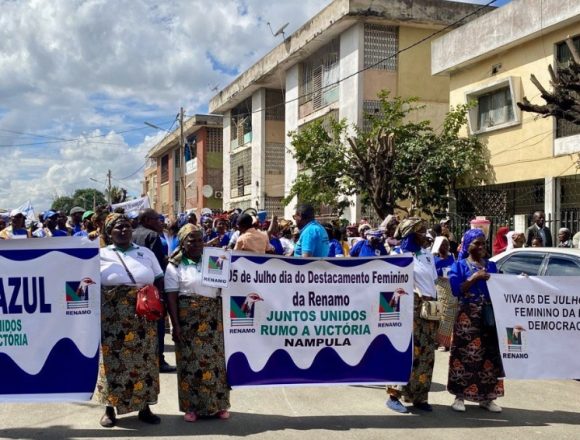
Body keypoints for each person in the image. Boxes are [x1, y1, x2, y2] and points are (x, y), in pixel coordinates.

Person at [96, 213, 164, 427]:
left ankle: (144, 407)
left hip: (143, 318)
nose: (124, 230)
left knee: (144, 363)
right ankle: (109, 409)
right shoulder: (99, 255)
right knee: (111, 363)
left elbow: (160, 281)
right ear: (109, 232)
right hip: (112, 319)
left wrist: (157, 305)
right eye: (118, 227)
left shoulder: (145, 253)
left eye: (126, 226)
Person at [165, 224, 230, 422]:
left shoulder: (214, 260)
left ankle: (217, 405)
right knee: (190, 364)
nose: (196, 243)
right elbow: (171, 298)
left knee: (215, 364)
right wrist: (175, 325)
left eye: (200, 239)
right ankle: (191, 407)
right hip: (188, 321)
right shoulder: (174, 266)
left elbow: (225, 286)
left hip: (213, 320)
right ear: (183, 243)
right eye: (191, 240)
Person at [448, 229, 503, 413]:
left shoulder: (492, 266)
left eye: (483, 243)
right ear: (468, 245)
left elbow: (504, 286)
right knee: (465, 355)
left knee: (489, 356)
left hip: (488, 315)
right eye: (477, 243)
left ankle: (487, 398)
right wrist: (474, 277)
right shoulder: (459, 266)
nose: (481, 246)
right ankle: (460, 396)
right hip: (467, 317)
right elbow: (457, 289)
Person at [386, 218, 438, 413]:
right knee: (406, 351)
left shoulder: (426, 255)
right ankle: (394, 395)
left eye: (425, 230)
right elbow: (391, 284)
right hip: (408, 308)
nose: (425, 234)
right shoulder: (399, 254)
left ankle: (419, 396)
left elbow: (433, 281)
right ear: (409, 233)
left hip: (429, 308)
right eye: (421, 231)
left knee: (426, 353)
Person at [132, 208, 174, 373]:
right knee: (157, 324)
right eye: (157, 219)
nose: (161, 222)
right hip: (153, 288)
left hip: (136, 287)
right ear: (148, 220)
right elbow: (157, 266)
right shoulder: (153, 236)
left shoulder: (132, 234)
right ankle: (159, 360)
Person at [431, 236, 456, 351]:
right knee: (440, 315)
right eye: (442, 245)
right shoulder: (433, 260)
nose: (445, 247)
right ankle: (440, 342)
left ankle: (448, 342)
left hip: (451, 290)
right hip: (440, 290)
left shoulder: (453, 257)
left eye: (446, 244)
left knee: (450, 316)